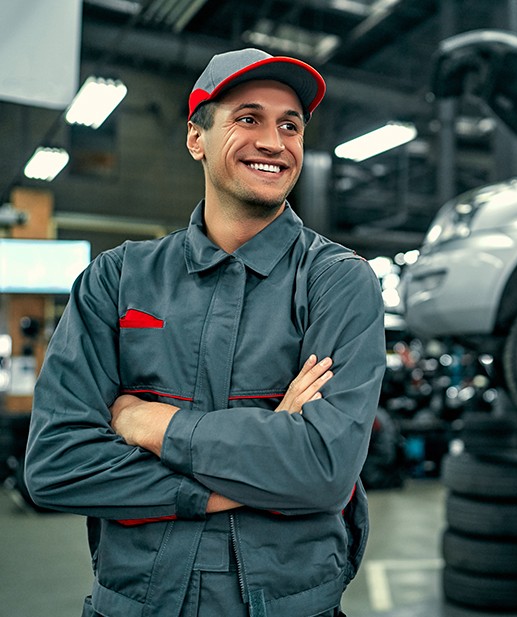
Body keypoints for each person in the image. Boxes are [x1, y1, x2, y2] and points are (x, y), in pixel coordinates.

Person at [25, 48, 386, 617]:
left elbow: (322, 469)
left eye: (289, 125)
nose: (273, 141)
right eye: (248, 119)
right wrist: (248, 470)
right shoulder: (117, 279)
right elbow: (56, 463)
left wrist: (150, 422)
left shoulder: (338, 282)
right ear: (196, 137)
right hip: (134, 604)